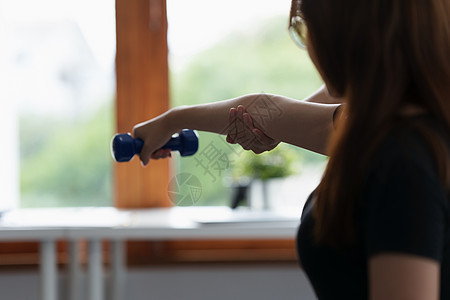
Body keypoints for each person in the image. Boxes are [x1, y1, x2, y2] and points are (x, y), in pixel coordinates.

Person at [132, 0, 450, 298]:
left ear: (347, 34)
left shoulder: (399, 157)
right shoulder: (398, 125)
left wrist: (174, 120)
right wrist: (273, 128)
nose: (310, 49)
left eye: (306, 30)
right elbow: (270, 112)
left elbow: (266, 109)